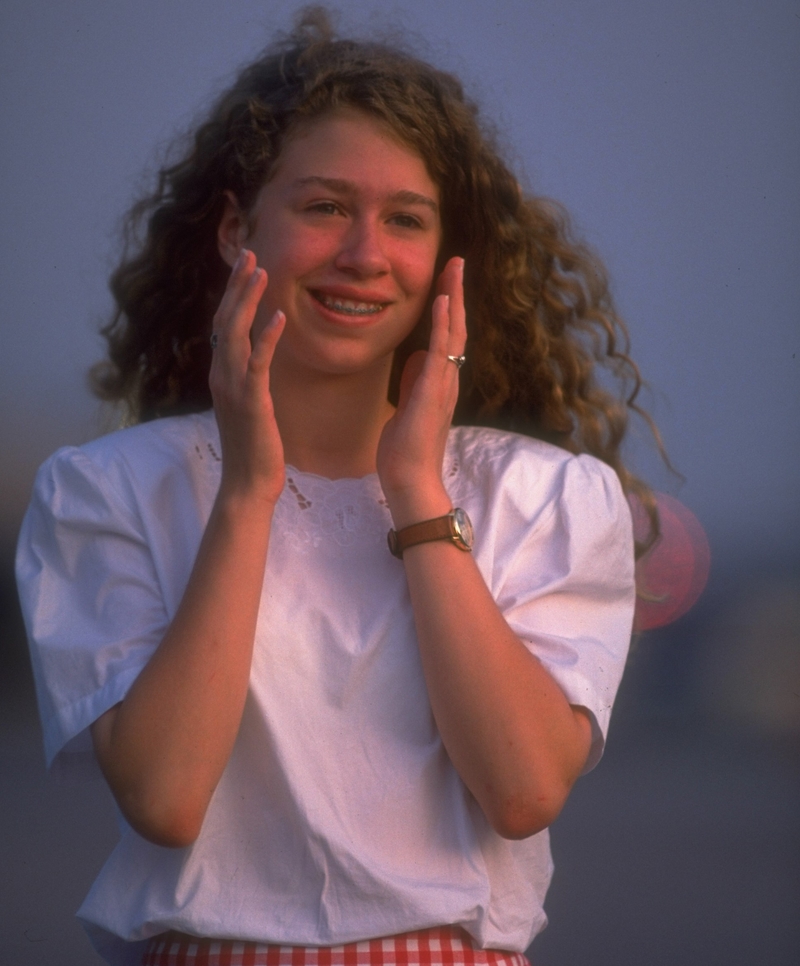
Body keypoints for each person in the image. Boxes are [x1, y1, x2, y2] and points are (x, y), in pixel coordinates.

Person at [16, 9, 659, 966]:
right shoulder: (104, 491)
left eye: (404, 218)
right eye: (323, 207)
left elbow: (523, 790)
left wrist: (415, 490)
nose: (364, 253)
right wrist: (247, 495)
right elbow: (165, 797)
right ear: (239, 230)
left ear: (448, 256)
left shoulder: (545, 495)